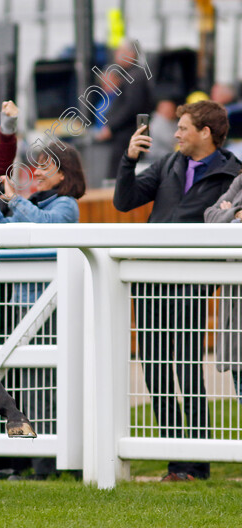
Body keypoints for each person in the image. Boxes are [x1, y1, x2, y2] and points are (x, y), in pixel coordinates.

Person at [115, 100, 242, 482]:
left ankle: (197, 463)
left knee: (188, 369)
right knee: (154, 369)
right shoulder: (170, 164)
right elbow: (125, 201)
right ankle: (175, 461)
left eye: (183, 128)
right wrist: (127, 161)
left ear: (205, 133)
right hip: (151, 280)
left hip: (191, 282)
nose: (176, 134)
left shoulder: (231, 173)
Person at [0, 142, 87, 479]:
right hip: (25, 305)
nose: (38, 173)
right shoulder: (30, 204)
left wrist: (14, 200)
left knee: (45, 384)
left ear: (64, 173)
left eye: (46, 167)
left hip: (51, 305)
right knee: (31, 383)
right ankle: (41, 462)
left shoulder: (66, 204)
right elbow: (1, 233)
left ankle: (49, 465)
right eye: (38, 167)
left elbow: (46, 229)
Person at [204, 172, 242, 403]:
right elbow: (210, 215)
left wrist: (228, 215)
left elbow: (219, 216)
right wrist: (236, 215)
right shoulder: (240, 181)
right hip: (236, 315)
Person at [95, 39, 154, 180]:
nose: (116, 54)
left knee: (117, 176)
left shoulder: (135, 77)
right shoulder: (131, 75)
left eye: (120, 51)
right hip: (128, 135)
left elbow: (131, 107)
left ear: (131, 54)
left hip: (128, 136)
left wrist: (111, 127)